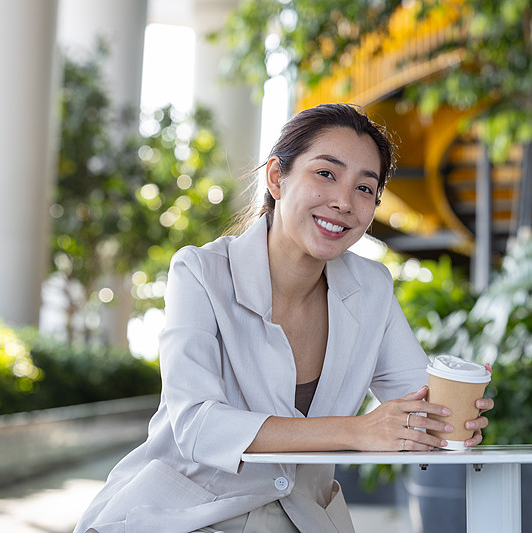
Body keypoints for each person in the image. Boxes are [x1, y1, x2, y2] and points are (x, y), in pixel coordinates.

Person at [73, 103, 494, 533]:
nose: (344, 202)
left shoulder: (372, 288)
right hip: (188, 515)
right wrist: (355, 431)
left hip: (305, 518)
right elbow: (197, 425)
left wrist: (453, 416)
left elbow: (419, 403)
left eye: (365, 188)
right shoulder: (200, 272)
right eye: (326, 173)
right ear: (277, 177)